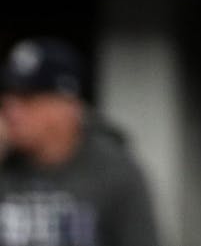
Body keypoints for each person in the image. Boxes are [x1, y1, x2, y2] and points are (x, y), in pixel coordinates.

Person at [0, 36, 161, 246]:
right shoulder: (4, 163)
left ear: (68, 106)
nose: (12, 112)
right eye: (8, 99)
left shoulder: (114, 172)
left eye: (28, 100)